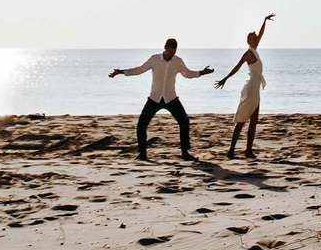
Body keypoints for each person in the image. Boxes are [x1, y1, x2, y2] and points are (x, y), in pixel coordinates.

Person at [110, 39, 213, 161]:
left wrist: (202, 73)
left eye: (174, 51)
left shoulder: (178, 61)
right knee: (141, 124)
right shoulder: (154, 59)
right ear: (165, 47)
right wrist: (121, 72)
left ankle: (185, 152)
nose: (172, 54)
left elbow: (187, 74)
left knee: (184, 122)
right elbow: (140, 69)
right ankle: (142, 154)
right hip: (154, 98)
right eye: (170, 51)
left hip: (171, 98)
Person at [214, 13, 274, 159]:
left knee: (254, 120)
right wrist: (225, 78)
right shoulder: (248, 54)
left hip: (256, 88)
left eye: (255, 36)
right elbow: (237, 67)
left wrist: (264, 20)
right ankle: (231, 150)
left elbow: (261, 34)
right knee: (242, 119)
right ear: (249, 40)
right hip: (251, 88)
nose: (256, 37)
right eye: (253, 36)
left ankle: (248, 151)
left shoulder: (255, 49)